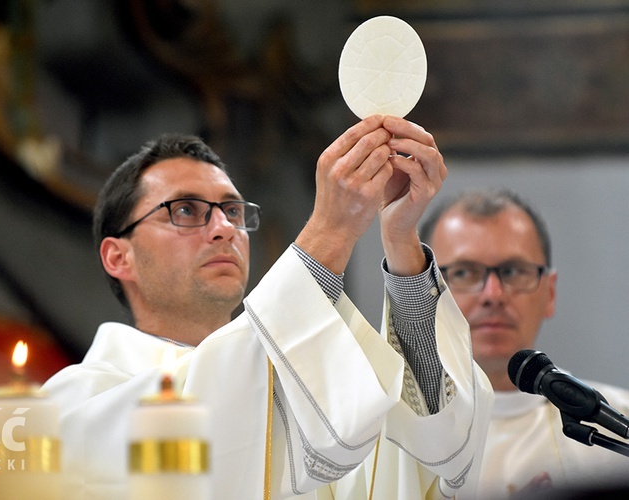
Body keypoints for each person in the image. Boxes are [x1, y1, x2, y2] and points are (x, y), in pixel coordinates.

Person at [43, 115, 492, 499]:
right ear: (118, 257)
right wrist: (330, 233)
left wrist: (401, 245)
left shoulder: (322, 389)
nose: (222, 228)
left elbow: (433, 453)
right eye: (184, 210)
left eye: (233, 211)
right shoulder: (71, 409)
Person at [419, 188, 629, 499]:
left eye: (513, 271)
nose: (493, 294)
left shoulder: (617, 420)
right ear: (425, 294)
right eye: (464, 272)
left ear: (551, 292)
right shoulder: (386, 438)